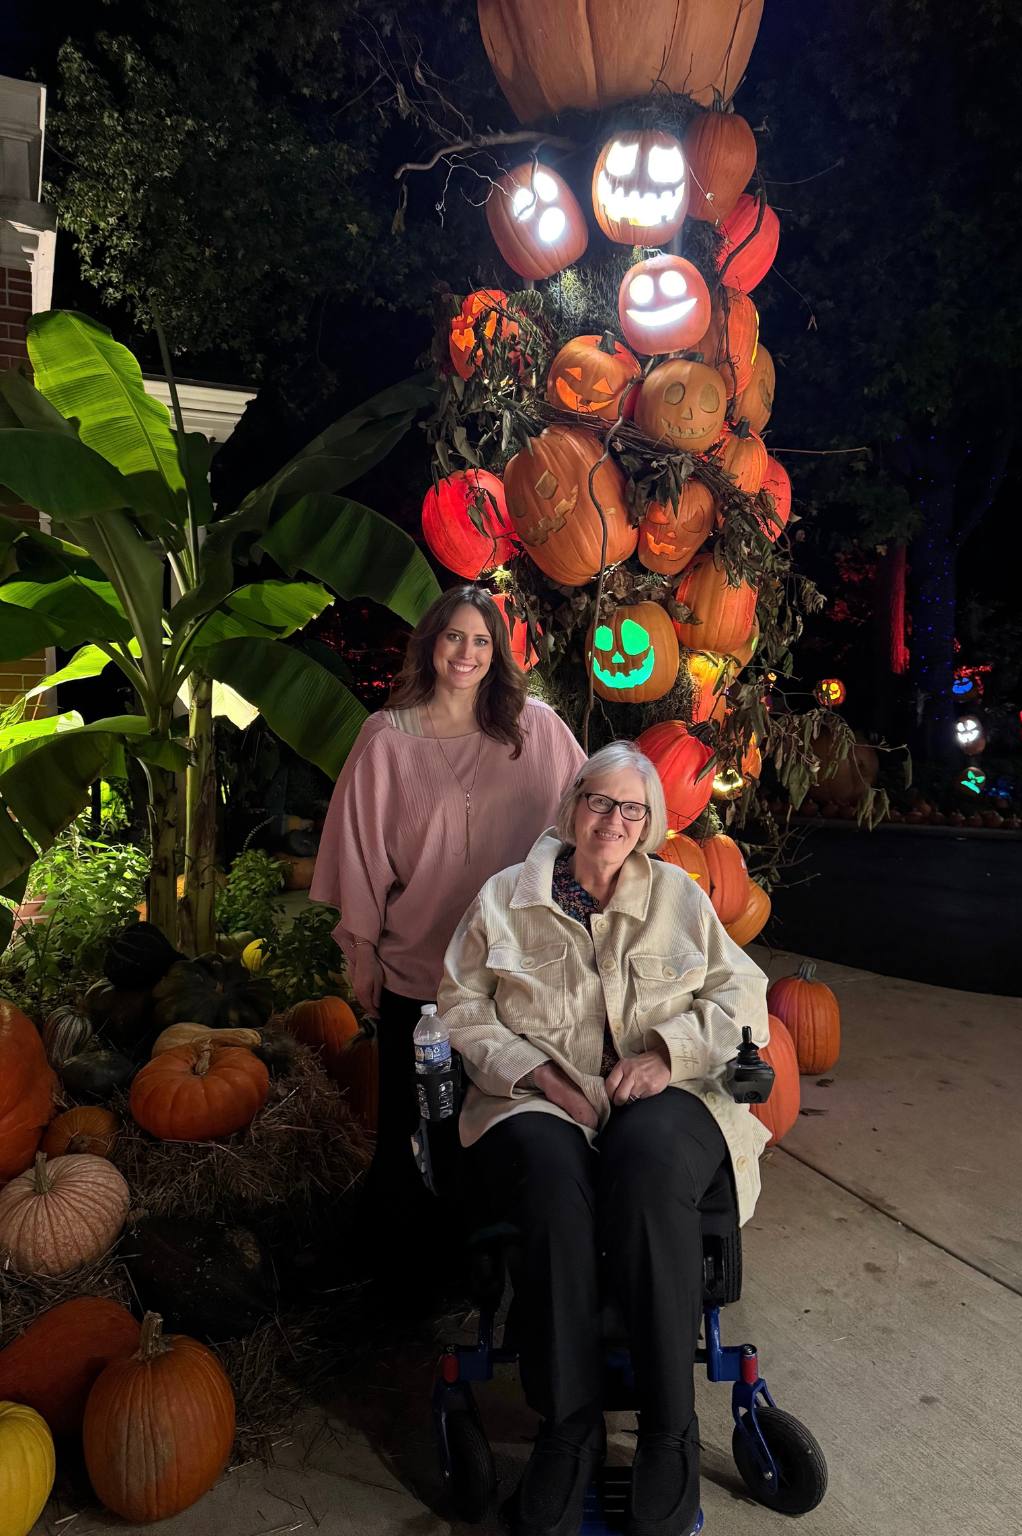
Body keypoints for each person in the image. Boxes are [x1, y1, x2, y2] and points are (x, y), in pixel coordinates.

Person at [438, 743, 771, 1536]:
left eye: (632, 810)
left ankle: (668, 1431)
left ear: (650, 823)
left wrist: (666, 1055)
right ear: (571, 806)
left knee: (651, 1164)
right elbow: (459, 1006)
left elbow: (744, 994)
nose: (613, 821)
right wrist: (541, 1078)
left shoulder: (680, 897)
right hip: (541, 1096)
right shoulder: (502, 901)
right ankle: (569, 1430)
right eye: (599, 802)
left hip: (669, 1091)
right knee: (552, 1183)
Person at [309, 584, 586, 1286]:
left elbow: (599, 812)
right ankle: (410, 1283)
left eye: (481, 641)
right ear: (431, 644)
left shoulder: (538, 732)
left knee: (501, 1126)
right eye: (454, 637)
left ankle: (496, 1276)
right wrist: (361, 950)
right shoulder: (387, 741)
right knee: (415, 1132)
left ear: (498, 655)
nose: (466, 653)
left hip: (514, 977)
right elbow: (360, 852)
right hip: (421, 975)